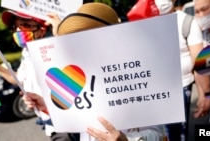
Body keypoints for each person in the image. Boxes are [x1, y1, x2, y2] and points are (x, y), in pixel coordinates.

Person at [22, 2, 168, 141]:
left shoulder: (135, 73)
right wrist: (46, 105)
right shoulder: (78, 76)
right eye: (76, 39)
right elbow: (73, 116)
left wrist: (128, 140)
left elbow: (160, 135)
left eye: (89, 36)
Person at [127, 0, 210, 141]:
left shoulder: (186, 22)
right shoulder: (142, 19)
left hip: (176, 89)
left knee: (166, 134)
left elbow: (199, 61)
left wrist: (205, 92)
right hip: (151, 89)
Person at [0, 10, 79, 141]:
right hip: (49, 123)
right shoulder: (27, 52)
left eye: (25, 25)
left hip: (68, 127)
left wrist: (61, 36)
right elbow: (19, 80)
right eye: (15, 26)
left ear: (42, 29)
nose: (19, 30)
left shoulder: (55, 50)